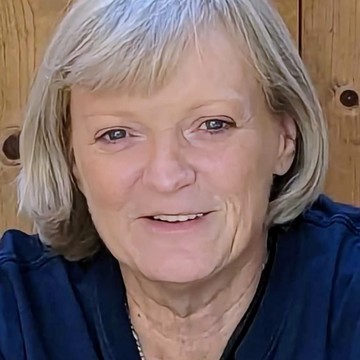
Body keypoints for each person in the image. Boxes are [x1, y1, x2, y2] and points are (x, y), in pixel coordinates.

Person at [1, 0, 359, 359]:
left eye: (213, 125)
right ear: (71, 156)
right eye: (117, 134)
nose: (167, 177)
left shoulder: (347, 289)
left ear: (284, 138)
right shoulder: (16, 310)